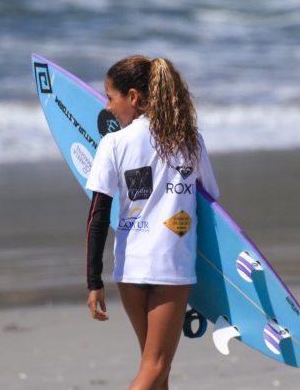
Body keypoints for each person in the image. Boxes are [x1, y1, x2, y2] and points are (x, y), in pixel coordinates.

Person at [84, 55, 220, 390]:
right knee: (155, 366)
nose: (107, 107)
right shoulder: (190, 141)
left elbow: (98, 214)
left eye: (110, 97)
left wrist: (93, 281)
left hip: (129, 267)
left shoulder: (113, 144)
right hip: (171, 265)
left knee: (156, 369)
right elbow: (211, 202)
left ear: (132, 97)